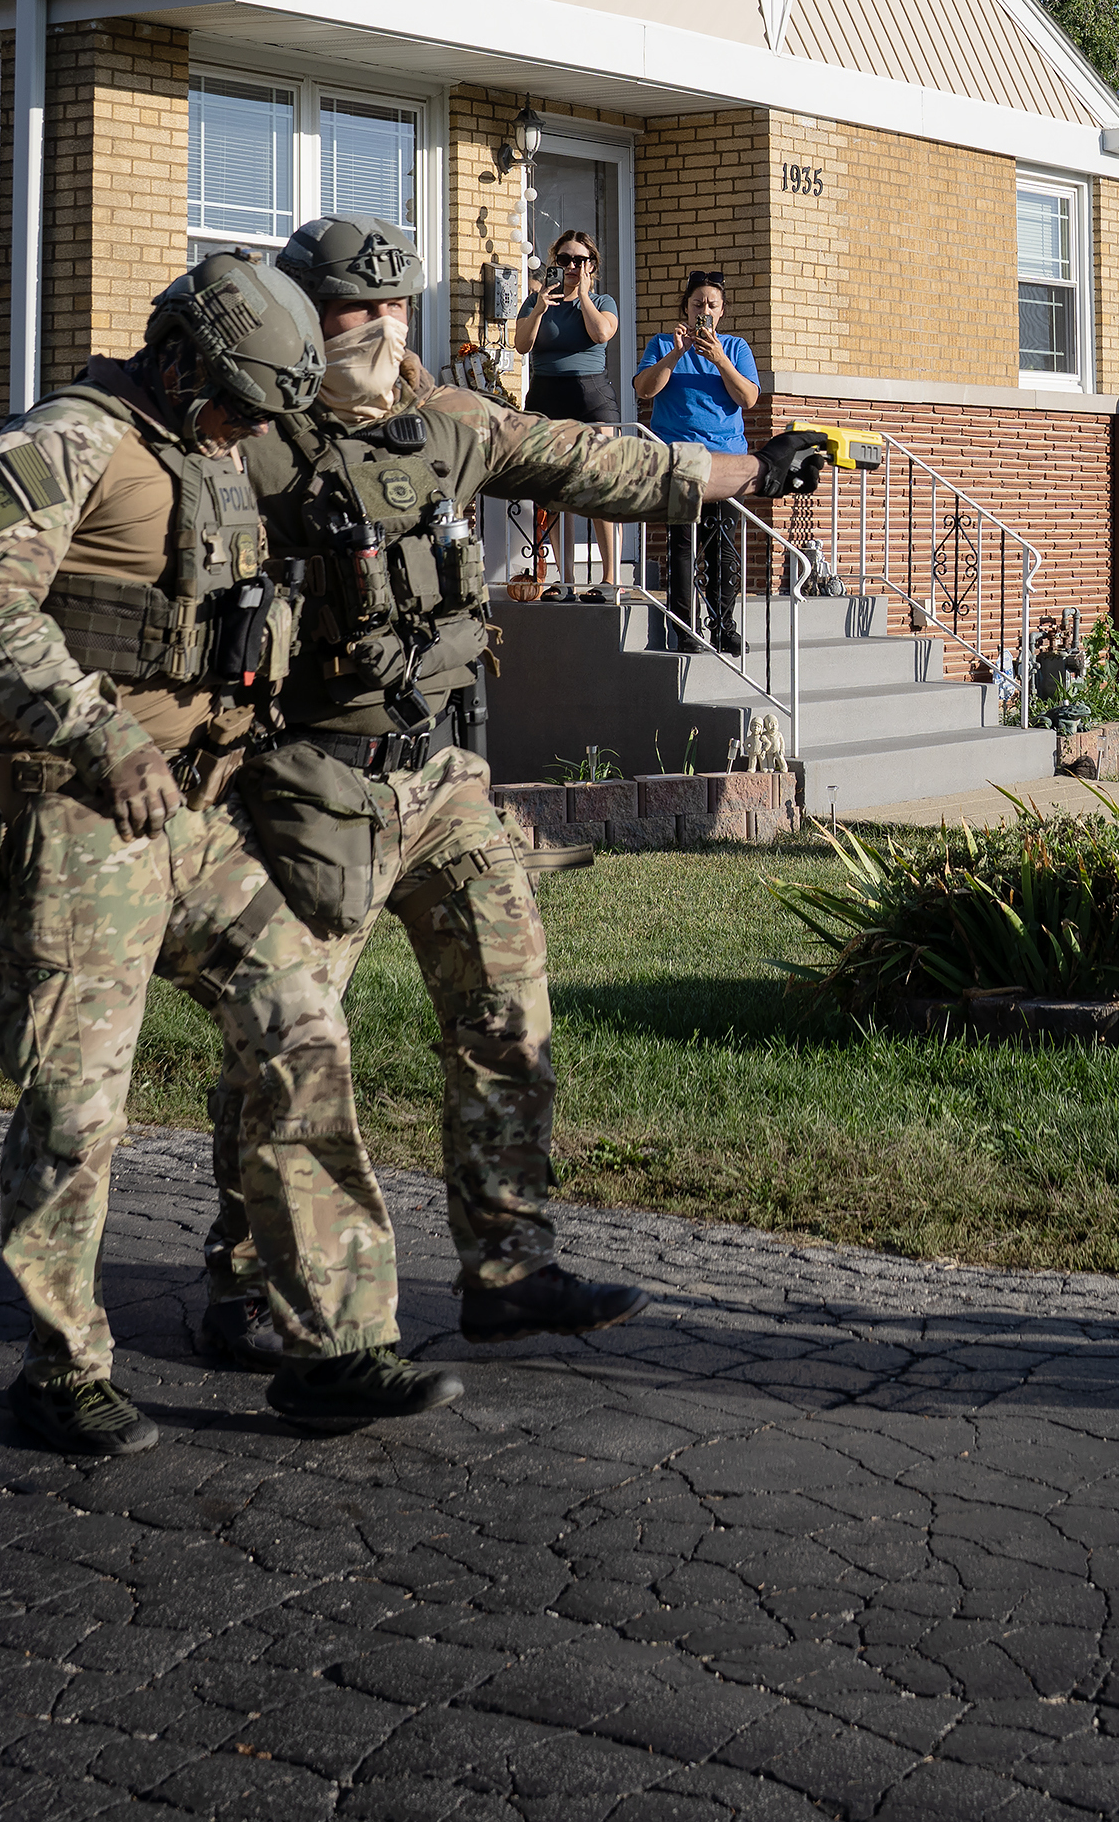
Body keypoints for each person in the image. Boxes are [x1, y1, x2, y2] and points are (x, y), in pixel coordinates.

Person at [187, 216, 840, 1373]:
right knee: (287, 1043)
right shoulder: (246, 453)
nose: (383, 331)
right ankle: (242, 1278)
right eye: (356, 310)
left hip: (440, 775)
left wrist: (750, 467)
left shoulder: (449, 424)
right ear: (300, 316)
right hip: (307, 785)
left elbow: (601, 463)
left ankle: (507, 1265)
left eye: (397, 309)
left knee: (507, 1005)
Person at [0, 249, 462, 1455]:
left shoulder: (217, 441)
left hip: (198, 815)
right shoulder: (71, 438)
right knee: (78, 1104)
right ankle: (61, 1369)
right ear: (178, 359)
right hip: (86, 813)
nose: (242, 432)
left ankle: (331, 1344)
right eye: (232, 405)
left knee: (303, 1028)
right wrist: (98, 729)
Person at [634, 270, 760, 655]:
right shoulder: (662, 343)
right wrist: (677, 352)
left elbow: (748, 399)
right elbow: (644, 390)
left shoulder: (736, 348)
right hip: (681, 459)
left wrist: (719, 358)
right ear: (685, 309)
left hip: (725, 461)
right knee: (682, 546)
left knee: (723, 548)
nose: (703, 310)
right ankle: (684, 630)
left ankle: (723, 627)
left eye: (711, 305)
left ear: (721, 311)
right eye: (697, 304)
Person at [513, 231, 624, 589]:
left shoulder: (604, 300)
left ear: (592, 264)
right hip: (547, 396)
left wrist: (585, 296)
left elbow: (602, 334)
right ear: (554, 262)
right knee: (554, 490)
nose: (572, 266)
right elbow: (521, 345)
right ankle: (566, 578)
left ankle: (609, 578)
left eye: (580, 260)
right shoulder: (537, 301)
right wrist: (541, 309)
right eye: (564, 259)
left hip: (590, 394)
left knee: (598, 485)